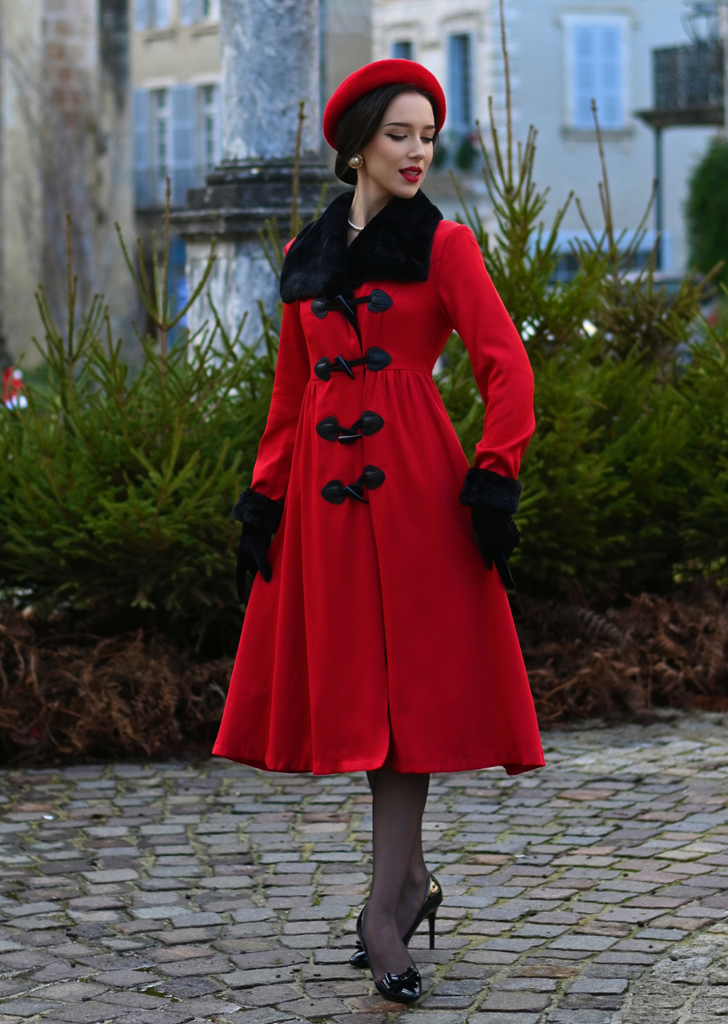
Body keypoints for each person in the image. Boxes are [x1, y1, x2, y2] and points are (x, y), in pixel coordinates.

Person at [213, 59, 545, 1004]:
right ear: (358, 140)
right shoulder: (305, 253)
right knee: (371, 706)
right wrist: (263, 498)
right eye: (400, 134)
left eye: (427, 136)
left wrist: (495, 478)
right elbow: (288, 400)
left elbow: (509, 372)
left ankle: (380, 913)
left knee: (408, 715)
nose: (417, 152)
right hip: (324, 512)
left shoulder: (445, 248)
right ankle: (405, 885)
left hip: (419, 502)